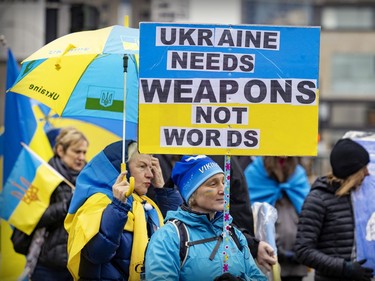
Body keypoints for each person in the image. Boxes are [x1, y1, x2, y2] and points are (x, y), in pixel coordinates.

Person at [64, 140, 181, 281]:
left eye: (151, 167)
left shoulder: (144, 204)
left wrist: (163, 190)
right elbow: (96, 254)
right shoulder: (97, 202)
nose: (150, 174)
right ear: (122, 169)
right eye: (142, 166)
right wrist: (118, 206)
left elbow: (177, 229)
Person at [145, 155, 267, 280]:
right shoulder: (168, 237)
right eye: (213, 184)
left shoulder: (234, 234)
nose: (223, 189)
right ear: (192, 194)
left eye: (224, 182)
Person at [11, 127, 89, 281]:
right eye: (77, 151)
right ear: (60, 150)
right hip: (47, 265)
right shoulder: (43, 177)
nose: (81, 157)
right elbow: (32, 217)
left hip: (78, 264)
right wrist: (67, 206)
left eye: (84, 152)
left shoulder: (88, 180)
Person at [294, 138, 374, 281]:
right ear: (352, 172)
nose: (367, 173)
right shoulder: (318, 199)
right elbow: (303, 250)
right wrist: (346, 268)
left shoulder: (360, 199)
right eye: (364, 168)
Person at [244, 156, 310, 280]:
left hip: (297, 255)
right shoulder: (255, 172)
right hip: (267, 252)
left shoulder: (298, 173)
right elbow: (250, 211)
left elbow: (308, 211)